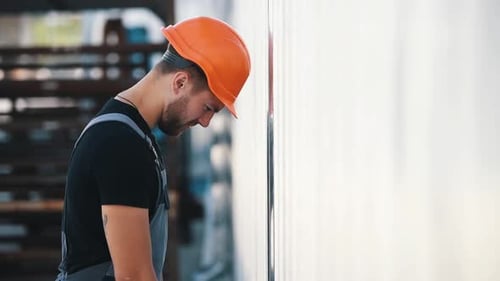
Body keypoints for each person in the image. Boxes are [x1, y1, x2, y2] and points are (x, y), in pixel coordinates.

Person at [56, 16, 251, 281]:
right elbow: (133, 276)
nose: (205, 122)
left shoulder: (131, 134)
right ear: (180, 82)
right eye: (208, 108)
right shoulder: (120, 144)